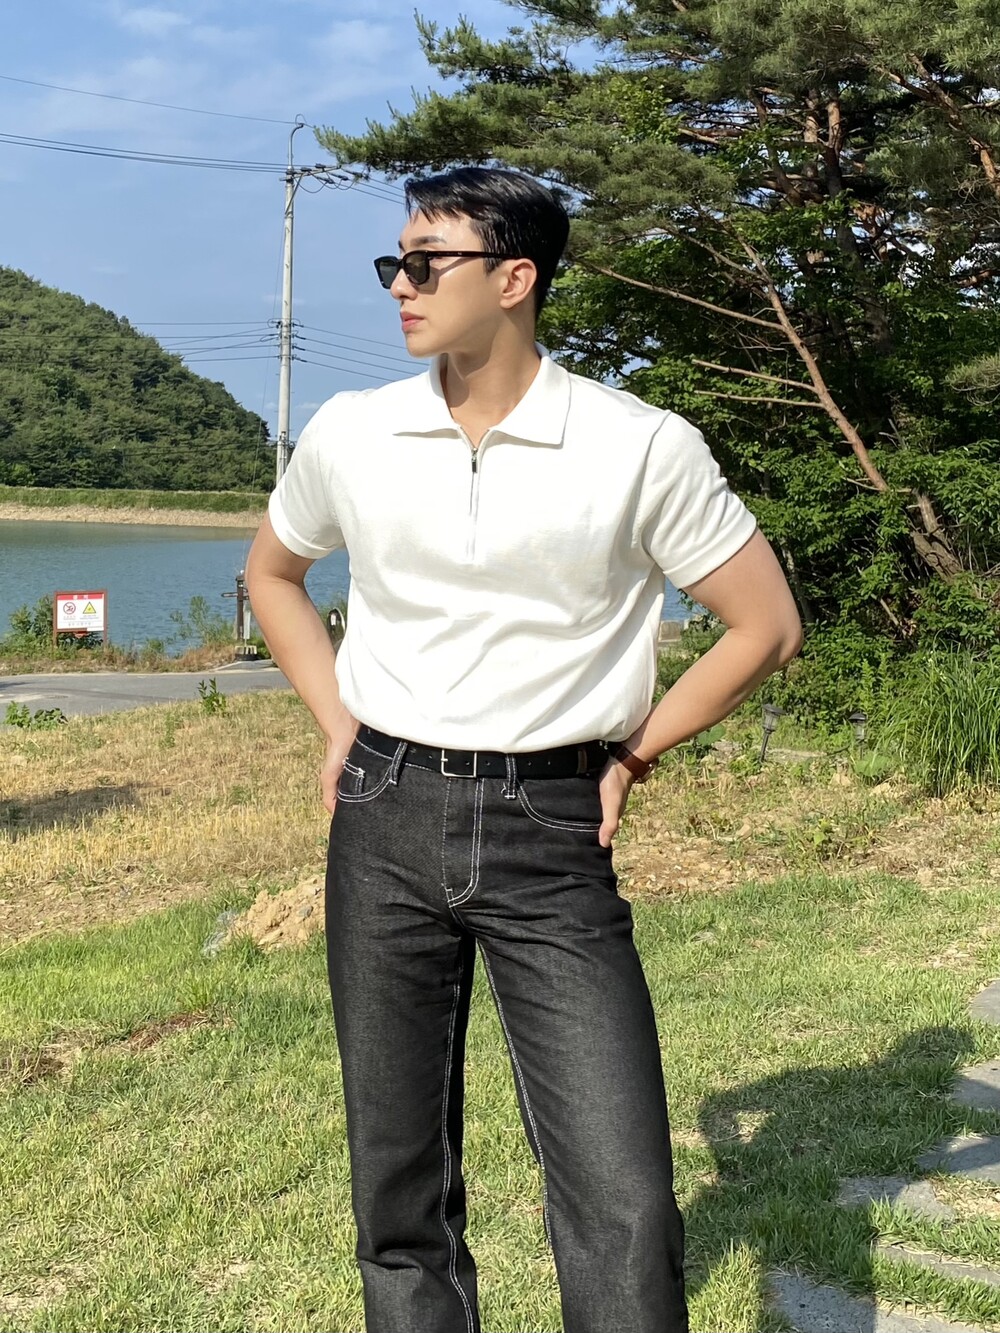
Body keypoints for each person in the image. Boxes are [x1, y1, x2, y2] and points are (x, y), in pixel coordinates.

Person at [245, 166, 803, 1333]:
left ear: (515, 278)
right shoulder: (355, 430)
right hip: (383, 815)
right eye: (394, 261)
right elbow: (274, 574)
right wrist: (341, 723)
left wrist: (633, 755)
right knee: (397, 1186)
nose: (399, 285)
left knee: (622, 1197)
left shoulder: (635, 445)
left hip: (550, 824)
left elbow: (764, 624)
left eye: (425, 262)